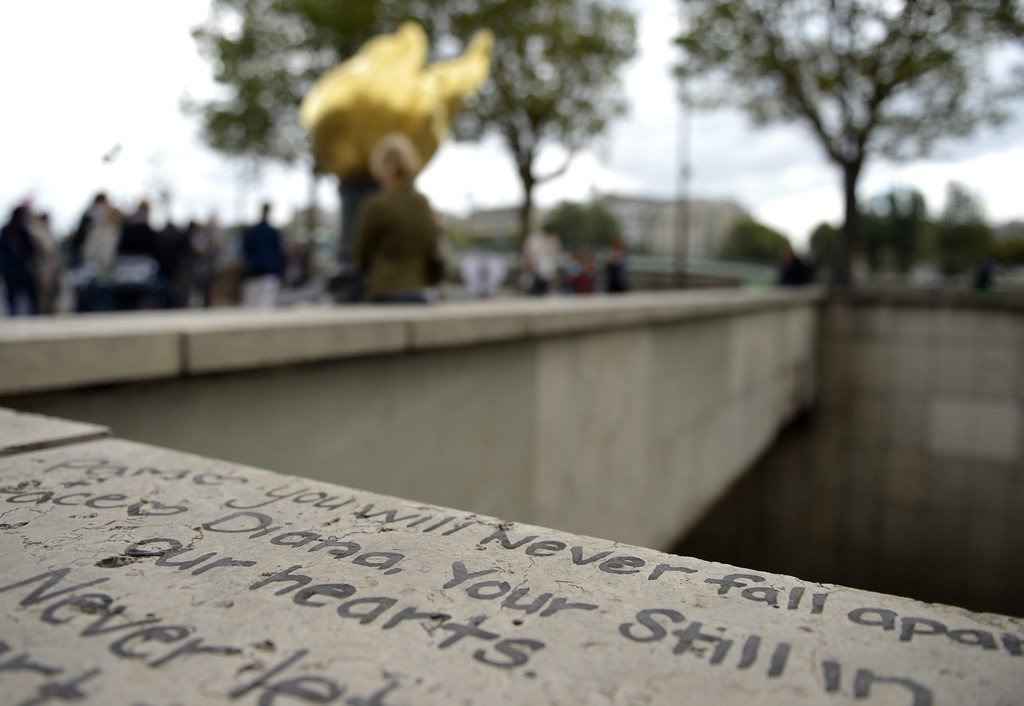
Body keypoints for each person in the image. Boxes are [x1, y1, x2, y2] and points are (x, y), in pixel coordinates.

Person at [353, 132, 443, 303]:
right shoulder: (422, 203)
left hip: (384, 289)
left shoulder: (376, 205)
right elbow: (432, 248)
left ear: (383, 167)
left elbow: (362, 252)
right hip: (420, 289)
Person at [241, 202, 286, 308]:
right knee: (266, 307)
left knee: (251, 308)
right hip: (267, 273)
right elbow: (280, 253)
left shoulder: (252, 231)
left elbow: (245, 252)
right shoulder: (273, 232)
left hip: (255, 272)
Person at [0, 204, 38, 315]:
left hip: (9, 269)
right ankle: (33, 314)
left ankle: (14, 314)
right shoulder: (22, 230)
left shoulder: (6, 230)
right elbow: (31, 250)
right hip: (21, 269)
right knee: (30, 295)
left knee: (12, 297)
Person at [521, 224, 561, 296]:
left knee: (544, 285)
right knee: (534, 283)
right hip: (536, 266)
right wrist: (527, 263)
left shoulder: (554, 240)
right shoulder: (535, 239)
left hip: (546, 268)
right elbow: (528, 252)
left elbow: (553, 254)